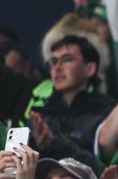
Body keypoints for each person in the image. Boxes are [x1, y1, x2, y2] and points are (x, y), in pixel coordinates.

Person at [29, 35, 111, 167]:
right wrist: (37, 144)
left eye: (66, 60)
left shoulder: (104, 115)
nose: (57, 68)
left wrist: (53, 143)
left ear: (89, 69)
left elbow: (98, 167)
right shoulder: (40, 116)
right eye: (53, 62)